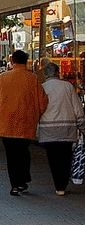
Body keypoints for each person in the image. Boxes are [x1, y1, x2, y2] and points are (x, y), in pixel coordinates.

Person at [0, 50, 48, 196]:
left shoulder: (3, 77)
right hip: (26, 121)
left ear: (12, 61)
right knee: (23, 151)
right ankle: (23, 179)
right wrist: (37, 113)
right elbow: (42, 103)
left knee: (11, 154)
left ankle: (15, 184)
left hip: (6, 122)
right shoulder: (33, 79)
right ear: (27, 61)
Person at [39, 62, 84, 196]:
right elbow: (78, 109)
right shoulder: (68, 87)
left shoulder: (42, 88)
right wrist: (82, 126)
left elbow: (38, 109)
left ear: (45, 74)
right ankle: (62, 186)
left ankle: (58, 185)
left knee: (53, 159)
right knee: (65, 158)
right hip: (67, 129)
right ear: (58, 73)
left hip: (48, 129)